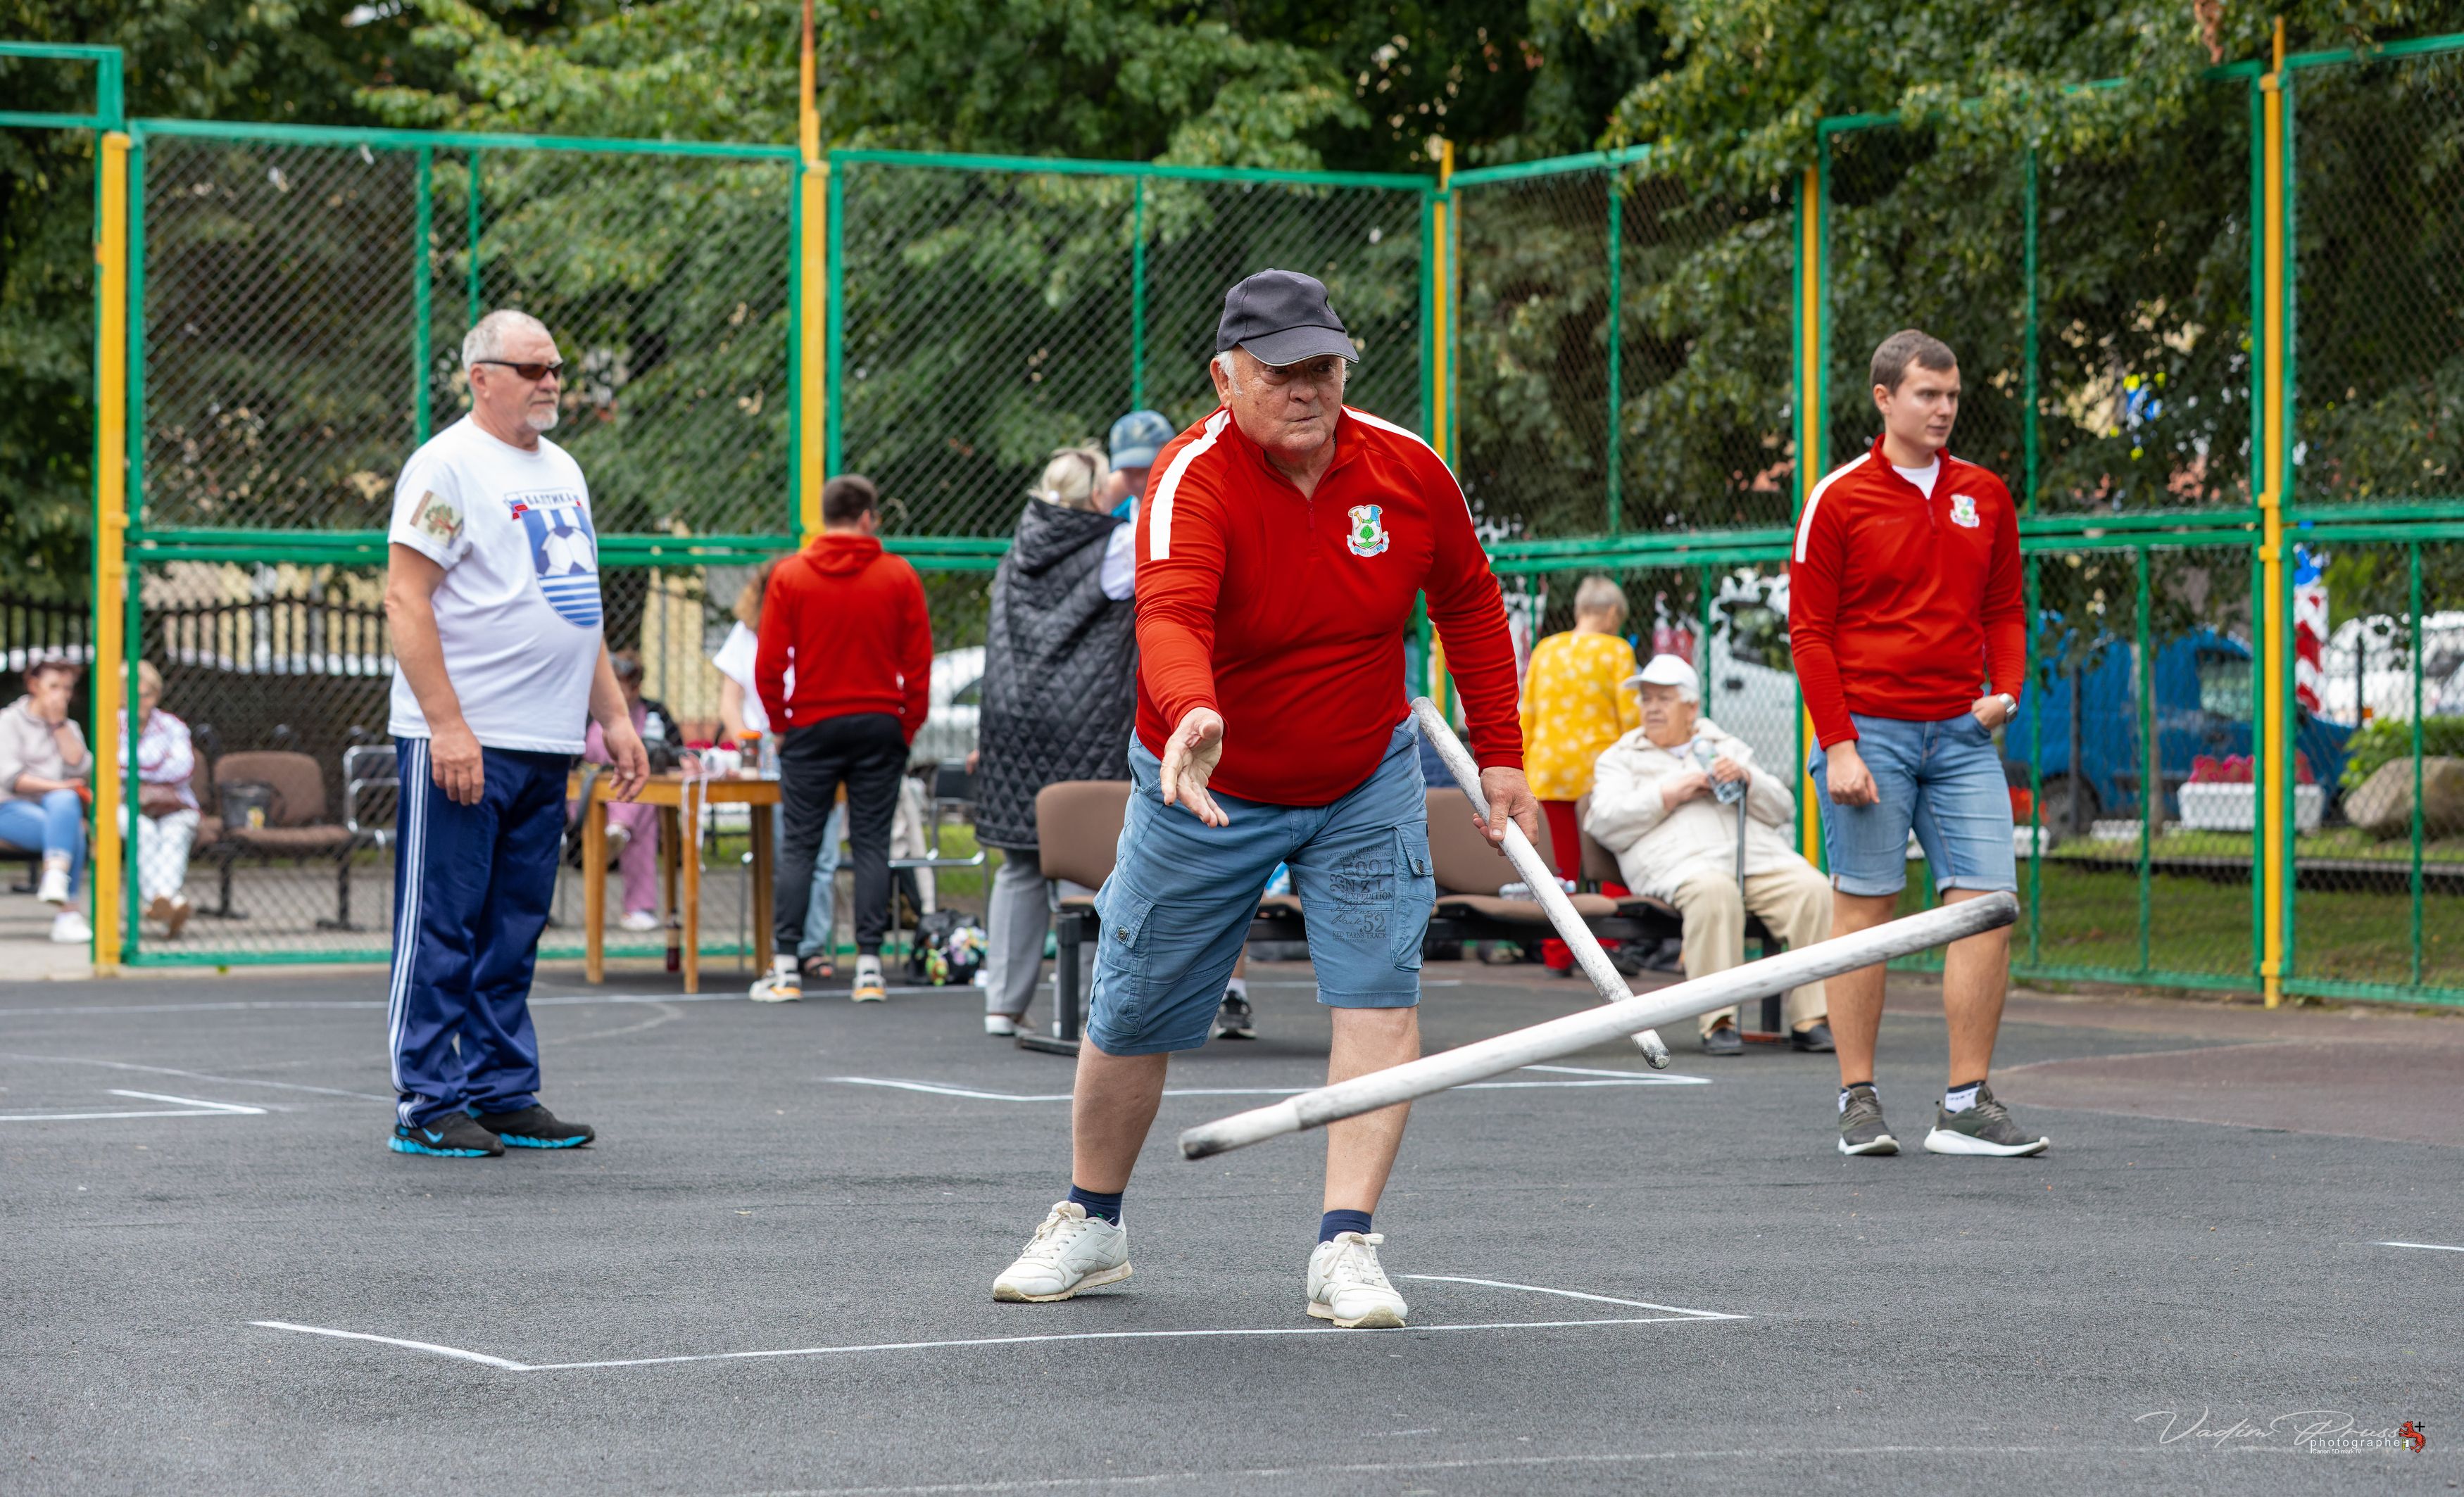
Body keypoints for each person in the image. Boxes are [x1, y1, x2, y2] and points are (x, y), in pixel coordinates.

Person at [990, 268, 1532, 1329]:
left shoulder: (1409, 468)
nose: (1305, 388)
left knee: (1379, 998)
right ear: (1225, 379)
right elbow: (1169, 616)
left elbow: (1469, 601)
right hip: (1207, 780)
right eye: (1279, 371)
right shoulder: (1188, 479)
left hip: (1363, 775)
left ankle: (1346, 1244)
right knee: (1133, 1007)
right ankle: (1092, 1220)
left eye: (1323, 366)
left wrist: (1502, 752)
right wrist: (1193, 712)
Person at [382, 307, 647, 1159]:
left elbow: (577, 605)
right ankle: (427, 1100)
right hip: (467, 739)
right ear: (481, 377)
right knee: (443, 923)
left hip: (546, 740)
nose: (551, 382)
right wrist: (447, 726)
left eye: (556, 368)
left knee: (514, 926)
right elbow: (405, 598)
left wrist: (613, 717)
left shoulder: (562, 468)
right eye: (533, 369)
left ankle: (500, 1090)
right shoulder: (447, 465)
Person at [1792, 328, 2045, 1158]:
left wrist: (2005, 690)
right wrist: (1838, 745)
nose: (1942, 409)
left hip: (1962, 736)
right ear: (1884, 398)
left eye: (1951, 396)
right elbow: (1809, 632)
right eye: (1926, 394)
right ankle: (1856, 1100)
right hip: (1869, 734)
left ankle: (1965, 1104)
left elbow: (2003, 608)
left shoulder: (1984, 494)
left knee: (1985, 912)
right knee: (1866, 912)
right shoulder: (1837, 498)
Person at [1585, 654, 1834, 1056]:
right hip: (1679, 865)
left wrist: (1747, 779)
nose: (1652, 708)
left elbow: (1782, 809)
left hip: (1754, 858)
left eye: (1663, 699)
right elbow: (1603, 822)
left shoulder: (1725, 746)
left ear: (1691, 708)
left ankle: (1812, 1018)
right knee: (1715, 892)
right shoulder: (1621, 756)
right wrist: (1668, 794)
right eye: (1646, 699)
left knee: (1813, 889)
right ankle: (1719, 1020)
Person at [971, 444, 1138, 1037]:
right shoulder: (1117, 545)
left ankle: (1001, 1004)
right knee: (1090, 863)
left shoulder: (1019, 547)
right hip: (1086, 720)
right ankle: (1090, 1005)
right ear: (1094, 493)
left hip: (1012, 721)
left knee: (1019, 861)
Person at [754, 473, 932, 1004]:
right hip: (879, 723)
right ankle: (870, 969)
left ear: (824, 517)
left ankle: (787, 967)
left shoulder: (790, 575)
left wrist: (781, 724)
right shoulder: (899, 575)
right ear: (868, 518)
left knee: (801, 844)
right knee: (873, 842)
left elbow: (769, 663)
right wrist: (906, 725)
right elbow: (918, 662)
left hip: (811, 725)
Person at [714, 563, 845, 987]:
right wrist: (749, 745)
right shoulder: (746, 635)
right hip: (767, 749)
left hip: (814, 745)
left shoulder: (817, 628)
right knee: (783, 853)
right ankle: (782, 944)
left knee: (823, 854)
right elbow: (730, 702)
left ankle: (812, 947)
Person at [1518, 574, 1641, 973]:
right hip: (1600, 775)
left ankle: (1558, 953)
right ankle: (1610, 944)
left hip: (1549, 771)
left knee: (1561, 870)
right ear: (1611, 612)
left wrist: (1524, 765)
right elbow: (1631, 717)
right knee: (1610, 860)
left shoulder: (1546, 650)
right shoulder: (1617, 651)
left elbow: (1527, 714)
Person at [0, 657, 92, 945]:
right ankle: (68, 914)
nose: (61, 695)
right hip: (8, 808)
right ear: (33, 686)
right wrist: (60, 786)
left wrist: (58, 725)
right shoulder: (8, 721)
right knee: (71, 826)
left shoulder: (68, 727)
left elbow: (81, 768)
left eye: (67, 688)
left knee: (65, 803)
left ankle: (55, 874)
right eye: (54, 686)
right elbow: (11, 778)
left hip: (54, 810)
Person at [574, 650, 663, 933]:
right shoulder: (585, 712)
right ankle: (638, 905)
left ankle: (619, 830)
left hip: (632, 792)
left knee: (642, 800)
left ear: (635, 687)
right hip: (586, 796)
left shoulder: (656, 713)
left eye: (620, 683)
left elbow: (674, 752)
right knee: (639, 805)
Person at [120, 660, 199, 937]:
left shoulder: (172, 726)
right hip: (125, 805)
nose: (142, 702)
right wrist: (157, 766)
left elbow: (183, 770)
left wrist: (135, 772)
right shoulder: (110, 725)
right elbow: (108, 766)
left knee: (176, 832)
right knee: (142, 831)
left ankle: (160, 900)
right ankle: (170, 901)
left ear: (157, 695)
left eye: (147, 695)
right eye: (133, 695)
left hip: (174, 806)